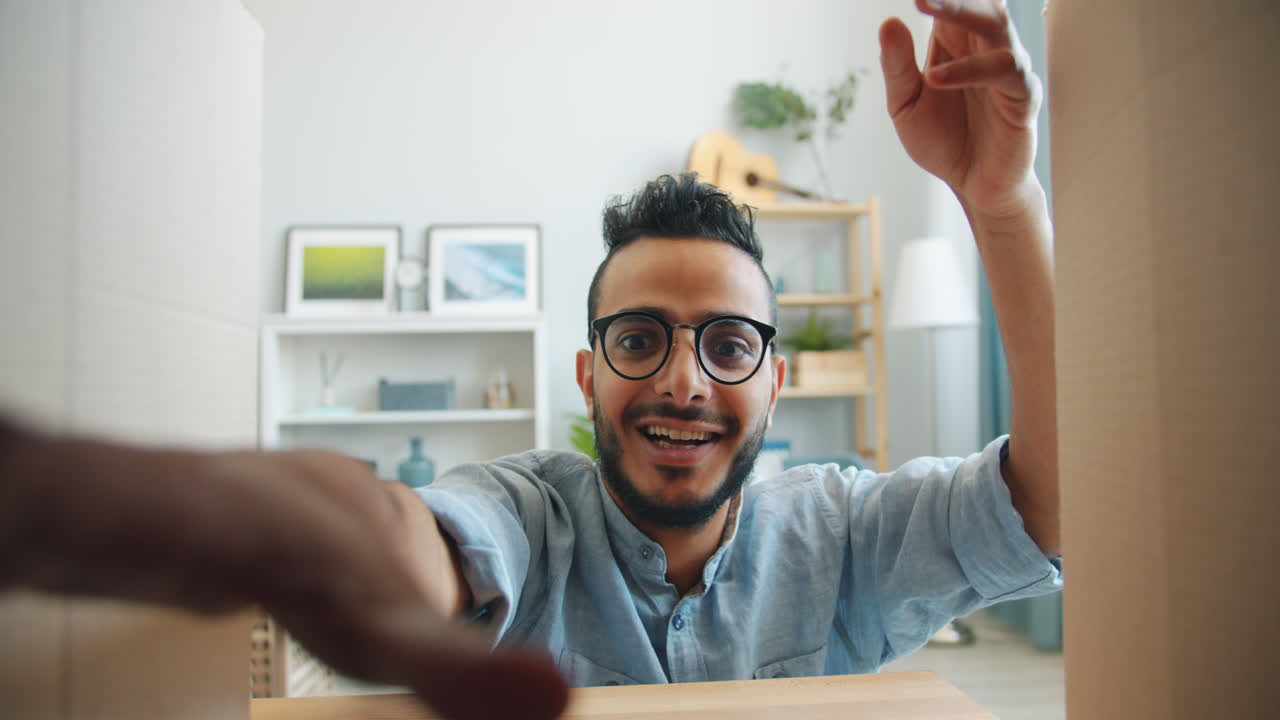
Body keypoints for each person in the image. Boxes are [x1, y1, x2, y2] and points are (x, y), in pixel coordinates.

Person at [0, 1, 1058, 718]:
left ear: (772, 382)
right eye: (639, 339)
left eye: (727, 346)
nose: (683, 381)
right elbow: (403, 535)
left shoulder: (840, 536)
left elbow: (1056, 502)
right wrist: (264, 520)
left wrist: (1000, 201)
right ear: (587, 376)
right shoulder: (525, 515)